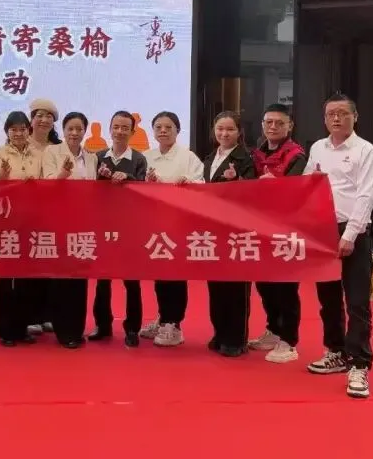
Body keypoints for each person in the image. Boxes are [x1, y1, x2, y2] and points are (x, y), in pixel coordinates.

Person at [304, 93, 373, 400]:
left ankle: (359, 363)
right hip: (323, 230)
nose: (336, 118)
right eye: (331, 114)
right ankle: (335, 350)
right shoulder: (317, 148)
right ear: (324, 119)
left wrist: (350, 234)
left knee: (357, 299)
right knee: (329, 297)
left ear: (355, 117)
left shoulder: (366, 151)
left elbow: (366, 195)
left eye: (343, 113)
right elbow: (307, 184)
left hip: (354, 230)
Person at [248, 103, 306, 364]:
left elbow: (296, 191)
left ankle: (289, 340)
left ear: (289, 126)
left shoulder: (296, 156)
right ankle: (273, 329)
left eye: (279, 123)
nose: (273, 127)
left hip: (286, 230)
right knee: (264, 284)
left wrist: (276, 186)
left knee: (286, 287)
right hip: (260, 229)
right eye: (268, 122)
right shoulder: (256, 154)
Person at [141, 110, 204, 347]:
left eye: (168, 127)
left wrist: (188, 184)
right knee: (160, 274)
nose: (163, 131)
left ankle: (174, 324)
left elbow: (201, 185)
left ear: (178, 130)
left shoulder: (188, 157)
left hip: (179, 224)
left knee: (175, 275)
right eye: (158, 127)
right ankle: (163, 318)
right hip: (154, 225)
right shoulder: (146, 156)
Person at [89, 110, 148, 347]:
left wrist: (129, 177)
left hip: (129, 227)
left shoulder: (139, 159)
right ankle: (102, 325)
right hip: (103, 225)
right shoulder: (98, 157)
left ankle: (132, 328)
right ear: (109, 129)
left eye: (125, 128)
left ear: (132, 132)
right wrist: (100, 177)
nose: (120, 132)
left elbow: (145, 190)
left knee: (131, 281)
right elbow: (88, 189)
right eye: (116, 127)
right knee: (102, 279)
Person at [202, 110, 257, 357]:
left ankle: (236, 338)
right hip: (213, 230)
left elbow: (254, 191)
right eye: (220, 129)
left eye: (230, 129)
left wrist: (238, 181)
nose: (224, 134)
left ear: (239, 132)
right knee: (216, 285)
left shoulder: (245, 158)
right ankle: (220, 332)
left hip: (237, 231)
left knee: (236, 287)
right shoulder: (209, 158)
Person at [42, 111, 99, 348]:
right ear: (63, 131)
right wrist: (63, 175)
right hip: (58, 222)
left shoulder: (91, 158)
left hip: (83, 224)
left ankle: (76, 328)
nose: (74, 133)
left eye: (79, 129)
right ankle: (62, 330)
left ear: (85, 131)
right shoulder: (52, 152)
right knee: (61, 277)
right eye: (70, 129)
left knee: (79, 278)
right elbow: (46, 185)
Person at [0, 111, 44, 346]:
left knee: (26, 278)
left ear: (28, 131)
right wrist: (3, 173)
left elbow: (45, 182)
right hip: (6, 220)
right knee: (5, 278)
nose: (18, 133)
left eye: (22, 129)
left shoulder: (38, 154)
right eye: (13, 129)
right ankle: (5, 331)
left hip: (31, 221)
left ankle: (22, 328)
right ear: (7, 132)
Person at [26, 98, 61, 334]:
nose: (44, 120)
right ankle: (32, 316)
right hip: (27, 214)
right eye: (39, 115)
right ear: (31, 119)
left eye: (49, 116)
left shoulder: (59, 147)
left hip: (54, 214)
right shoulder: (20, 142)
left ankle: (49, 314)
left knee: (52, 264)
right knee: (30, 267)